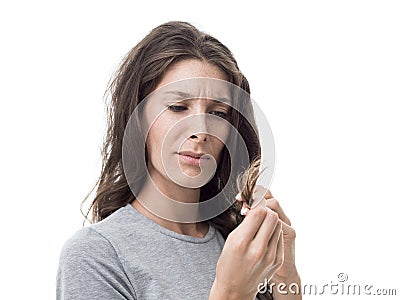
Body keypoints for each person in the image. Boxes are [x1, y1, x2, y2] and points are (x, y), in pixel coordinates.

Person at [56, 21, 301, 300]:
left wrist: (285, 277)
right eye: (177, 107)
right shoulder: (96, 255)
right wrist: (232, 293)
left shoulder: (242, 245)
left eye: (218, 113)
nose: (201, 130)